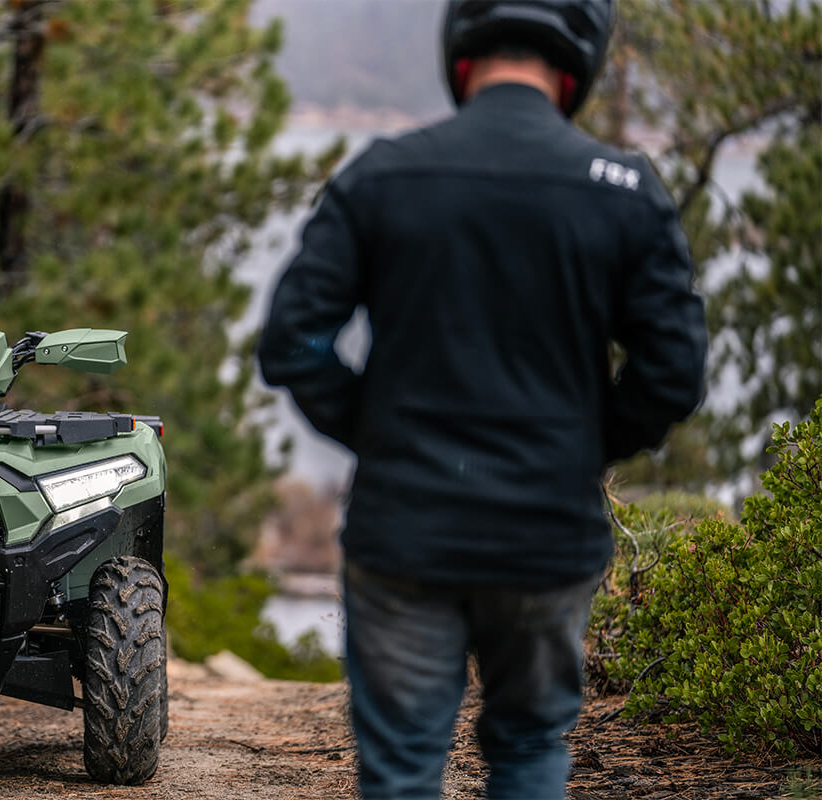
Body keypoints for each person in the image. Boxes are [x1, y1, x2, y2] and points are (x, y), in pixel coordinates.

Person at [257, 1, 707, 797]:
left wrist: (377, 432)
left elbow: (293, 341)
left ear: (459, 54)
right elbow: (673, 372)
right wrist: (583, 444)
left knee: (401, 769)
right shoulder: (625, 190)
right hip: (546, 530)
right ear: (578, 65)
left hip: (406, 528)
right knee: (531, 746)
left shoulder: (383, 174)